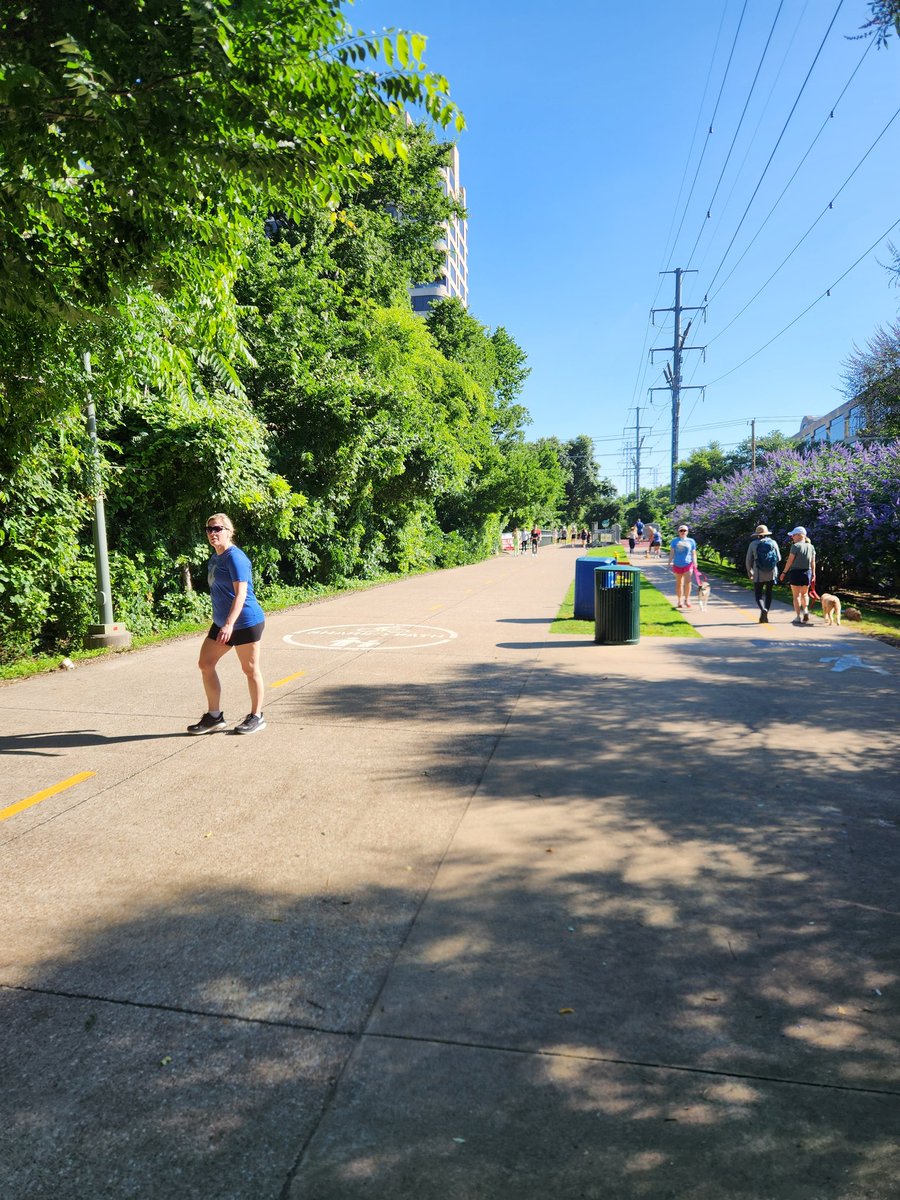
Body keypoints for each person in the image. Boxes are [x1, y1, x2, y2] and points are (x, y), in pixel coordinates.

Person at [188, 513, 266, 735]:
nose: (213, 533)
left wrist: (229, 624)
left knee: (249, 669)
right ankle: (214, 717)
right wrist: (223, 622)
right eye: (209, 529)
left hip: (244, 622)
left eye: (218, 529)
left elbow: (241, 594)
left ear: (229, 531)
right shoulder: (215, 558)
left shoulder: (235, 558)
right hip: (223, 623)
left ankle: (257, 716)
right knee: (205, 664)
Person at [745, 523, 782, 624]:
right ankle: (765, 612)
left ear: (757, 534)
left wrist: (750, 572)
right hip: (771, 572)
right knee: (769, 594)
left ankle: (763, 610)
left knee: (758, 594)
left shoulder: (753, 544)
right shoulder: (773, 543)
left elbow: (748, 560)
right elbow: (779, 558)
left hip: (758, 572)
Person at [780, 525, 816, 625]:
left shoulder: (795, 546)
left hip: (795, 572)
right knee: (805, 594)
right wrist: (813, 573)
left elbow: (790, 561)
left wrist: (784, 572)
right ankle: (806, 611)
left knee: (796, 596)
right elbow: (813, 562)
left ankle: (798, 617)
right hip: (807, 572)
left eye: (793, 535)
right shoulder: (811, 547)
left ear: (799, 535)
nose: (792, 537)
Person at [668, 523, 698, 608]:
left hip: (688, 564)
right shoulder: (675, 541)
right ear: (678, 532)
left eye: (684, 530)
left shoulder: (691, 541)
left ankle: (687, 599)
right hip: (677, 564)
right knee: (679, 583)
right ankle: (679, 601)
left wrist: (695, 562)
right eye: (681, 530)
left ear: (687, 532)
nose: (683, 532)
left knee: (688, 582)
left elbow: (693, 553)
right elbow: (672, 553)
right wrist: (669, 562)